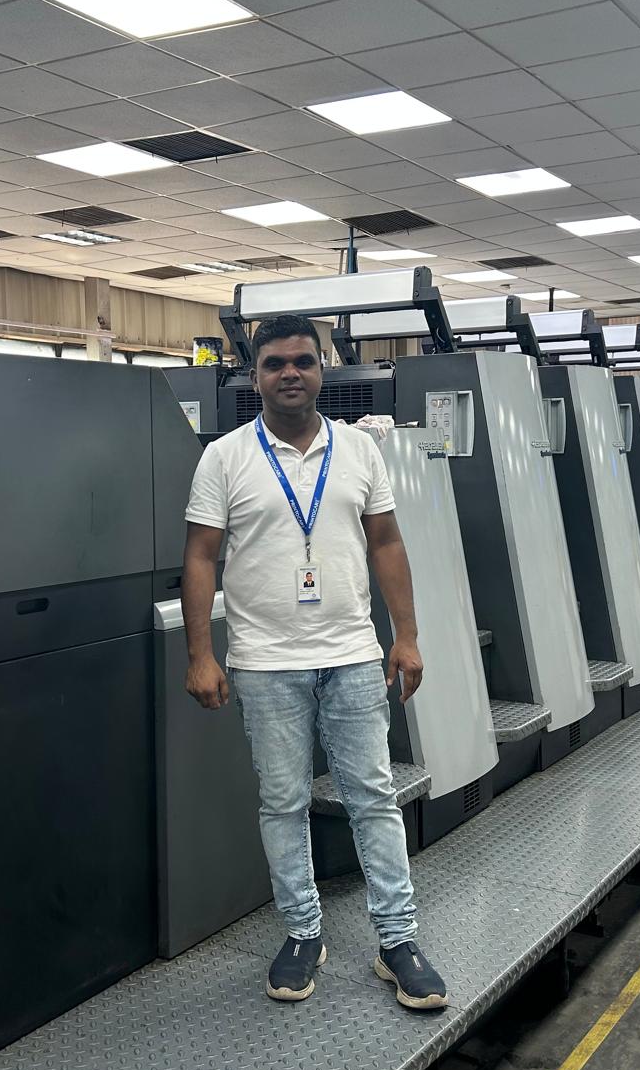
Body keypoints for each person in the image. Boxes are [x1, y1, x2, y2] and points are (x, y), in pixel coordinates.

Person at [181, 314, 449, 1011]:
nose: (290, 374)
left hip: (353, 654)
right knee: (283, 803)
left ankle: (397, 941)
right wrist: (201, 654)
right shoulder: (225, 458)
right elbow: (200, 557)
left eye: (302, 361)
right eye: (275, 364)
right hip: (265, 661)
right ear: (254, 376)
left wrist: (407, 636)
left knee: (373, 799)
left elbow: (386, 543)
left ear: (322, 369)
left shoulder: (359, 451)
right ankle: (303, 934)